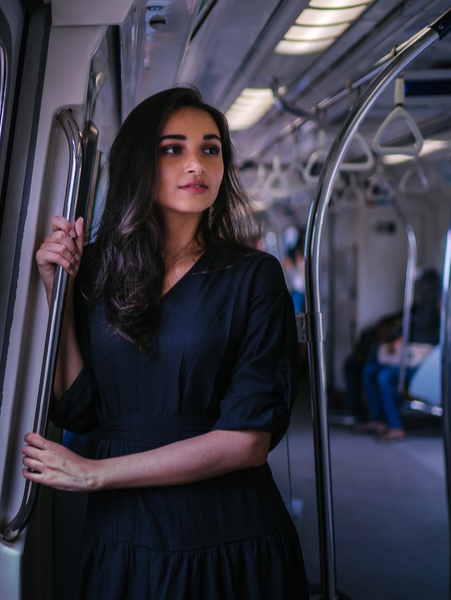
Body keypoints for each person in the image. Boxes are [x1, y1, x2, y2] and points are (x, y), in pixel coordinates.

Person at [23, 87, 307, 598]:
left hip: (226, 536)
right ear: (139, 162)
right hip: (122, 537)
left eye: (210, 149)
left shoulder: (253, 276)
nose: (195, 164)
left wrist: (94, 474)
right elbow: (83, 408)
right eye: (172, 148)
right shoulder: (99, 266)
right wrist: (56, 291)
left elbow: (248, 441)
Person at [354, 269, 441, 443]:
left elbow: (438, 338)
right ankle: (378, 419)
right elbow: (404, 320)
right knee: (369, 370)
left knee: (385, 376)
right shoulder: (419, 306)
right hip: (409, 356)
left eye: (427, 286)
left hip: (426, 363)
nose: (423, 290)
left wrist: (406, 340)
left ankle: (395, 426)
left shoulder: (440, 309)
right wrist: (395, 336)